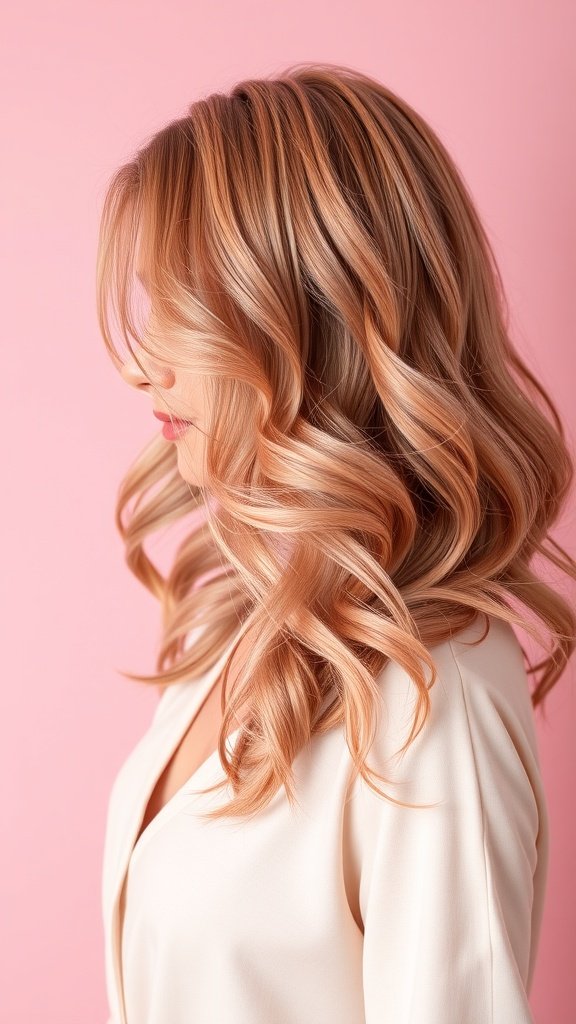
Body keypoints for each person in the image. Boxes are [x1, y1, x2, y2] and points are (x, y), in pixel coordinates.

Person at [96, 62, 575, 1024]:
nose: (144, 363)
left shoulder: (435, 698)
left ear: (307, 319)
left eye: (184, 314)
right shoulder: (235, 634)